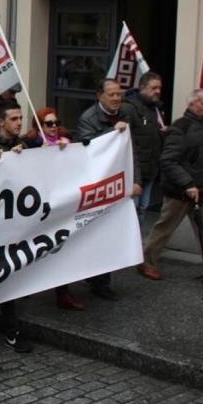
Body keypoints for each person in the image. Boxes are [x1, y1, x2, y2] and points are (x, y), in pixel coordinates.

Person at [141, 89, 203, 289]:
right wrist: (187, 184)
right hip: (180, 192)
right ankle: (147, 262)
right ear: (192, 104)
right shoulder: (180, 128)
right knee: (164, 229)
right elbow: (168, 161)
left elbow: (198, 158)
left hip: (202, 192)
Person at [74, 79, 129, 301]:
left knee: (110, 233)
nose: (116, 98)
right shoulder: (88, 118)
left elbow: (131, 149)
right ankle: (97, 281)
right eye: (111, 94)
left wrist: (135, 179)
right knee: (96, 234)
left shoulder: (125, 113)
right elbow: (88, 147)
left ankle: (101, 279)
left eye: (119, 94)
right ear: (100, 96)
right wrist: (111, 132)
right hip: (96, 184)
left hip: (116, 182)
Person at [28, 108, 85, 312]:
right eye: (48, 124)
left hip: (61, 204)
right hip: (39, 206)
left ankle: (63, 293)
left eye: (56, 123)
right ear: (39, 126)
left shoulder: (66, 142)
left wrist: (68, 150)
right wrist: (39, 154)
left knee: (61, 248)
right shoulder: (30, 144)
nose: (54, 127)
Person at [122, 72, 166, 226]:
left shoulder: (155, 110)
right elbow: (127, 142)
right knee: (132, 210)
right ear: (142, 88)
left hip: (150, 170)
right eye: (153, 88)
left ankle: (138, 239)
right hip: (134, 172)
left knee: (143, 208)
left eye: (159, 88)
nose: (158, 91)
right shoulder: (129, 109)